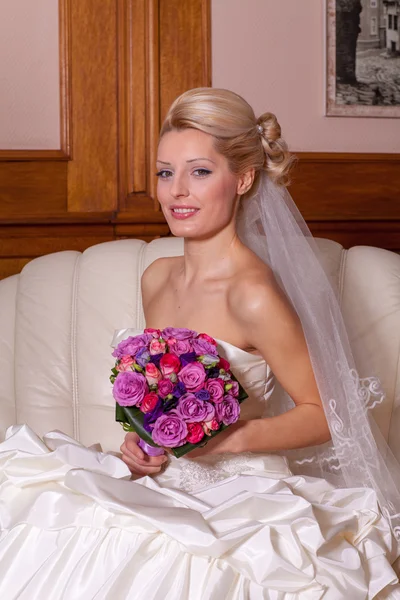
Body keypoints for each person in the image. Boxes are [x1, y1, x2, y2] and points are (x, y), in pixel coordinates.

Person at [1, 88, 399, 599]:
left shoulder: (253, 295)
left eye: (199, 172)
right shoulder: (158, 277)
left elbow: (324, 412)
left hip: (238, 492)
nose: (177, 192)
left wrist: (226, 441)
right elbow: (160, 395)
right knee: (39, 499)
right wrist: (143, 445)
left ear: (244, 178)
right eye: (166, 172)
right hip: (166, 481)